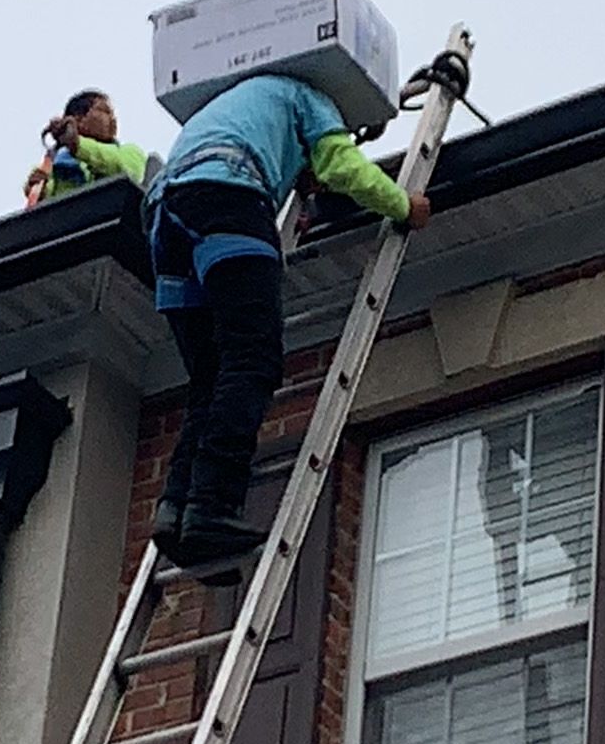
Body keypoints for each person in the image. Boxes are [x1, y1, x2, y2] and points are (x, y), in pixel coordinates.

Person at [144, 73, 431, 566]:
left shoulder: (242, 103)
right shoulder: (312, 95)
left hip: (166, 217)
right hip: (226, 200)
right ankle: (211, 506)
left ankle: (175, 509)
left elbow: (289, 169)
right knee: (252, 360)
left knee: (209, 378)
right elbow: (341, 165)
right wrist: (403, 205)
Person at [24, 89, 145, 203]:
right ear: (78, 119)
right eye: (105, 111)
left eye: (112, 113)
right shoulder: (56, 167)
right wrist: (40, 190)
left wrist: (78, 145)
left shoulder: (128, 152)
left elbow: (129, 170)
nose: (112, 118)